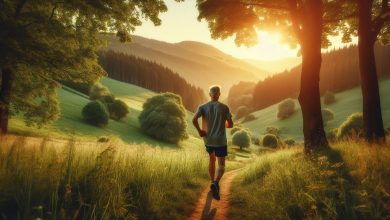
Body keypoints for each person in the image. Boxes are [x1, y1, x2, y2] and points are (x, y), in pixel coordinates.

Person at [192, 85, 233, 200]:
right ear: (219, 94)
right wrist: (223, 123)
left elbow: (194, 120)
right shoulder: (224, 108)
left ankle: (211, 181)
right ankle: (216, 182)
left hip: (208, 140)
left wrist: (200, 131)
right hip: (220, 140)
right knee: (221, 165)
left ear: (210, 94)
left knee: (212, 159)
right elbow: (230, 125)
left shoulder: (203, 107)